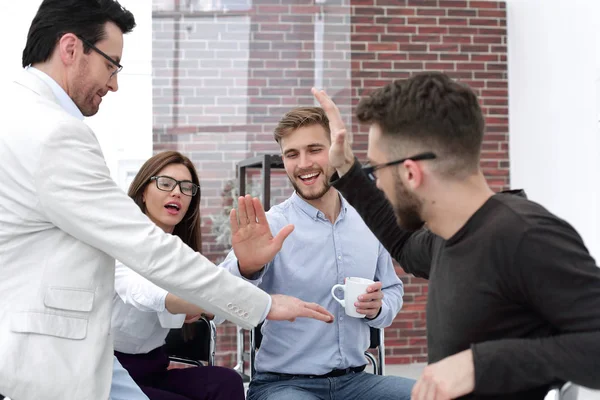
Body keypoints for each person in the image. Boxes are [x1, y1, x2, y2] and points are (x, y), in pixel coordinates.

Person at [0, 1, 333, 399]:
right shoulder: (52, 132)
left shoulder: (18, 115)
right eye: (112, 65)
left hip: (84, 356)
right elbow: (147, 252)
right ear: (71, 49)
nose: (114, 84)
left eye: (187, 188)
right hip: (44, 358)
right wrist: (261, 304)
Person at [311, 73, 600, 399]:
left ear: (410, 173)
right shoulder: (445, 237)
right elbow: (403, 244)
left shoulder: (525, 236)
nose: (376, 182)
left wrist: (480, 364)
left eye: (375, 170)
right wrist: (347, 170)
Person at [220, 107, 415, 400]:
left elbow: (392, 290)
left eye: (314, 149)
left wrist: (378, 308)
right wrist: (247, 268)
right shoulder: (270, 225)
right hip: (284, 385)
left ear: (335, 152)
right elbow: (219, 297)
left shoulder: (368, 220)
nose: (304, 164)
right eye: (292, 154)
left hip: (356, 383)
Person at [112, 151, 245, 400]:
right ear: (143, 191)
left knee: (227, 382)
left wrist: (246, 266)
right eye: (165, 183)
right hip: (110, 373)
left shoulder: (181, 253)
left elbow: (213, 314)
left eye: (186, 188)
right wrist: (187, 300)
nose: (177, 193)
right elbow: (141, 292)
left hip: (152, 369)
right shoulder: (122, 240)